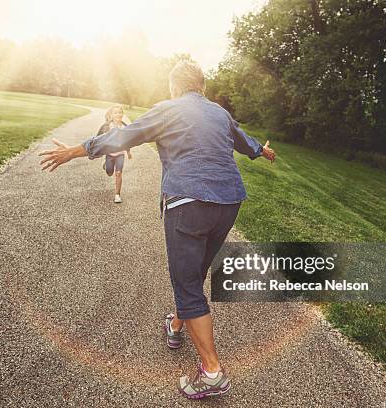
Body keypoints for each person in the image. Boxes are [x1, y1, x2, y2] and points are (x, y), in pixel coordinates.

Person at [39, 61, 276, 399]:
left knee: (187, 284)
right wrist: (263, 151)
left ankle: (211, 372)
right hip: (229, 203)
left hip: (187, 202)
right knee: (194, 275)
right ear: (202, 87)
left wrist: (75, 151)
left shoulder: (167, 109)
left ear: (174, 87)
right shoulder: (220, 113)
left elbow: (121, 136)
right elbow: (245, 142)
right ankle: (177, 325)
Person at [97, 105, 132, 203]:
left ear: (122, 114)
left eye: (120, 112)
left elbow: (128, 141)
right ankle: (106, 165)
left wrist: (128, 152)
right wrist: (98, 151)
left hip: (120, 154)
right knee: (109, 172)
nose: (118, 114)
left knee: (119, 173)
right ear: (112, 115)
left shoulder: (125, 127)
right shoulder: (107, 126)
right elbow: (98, 138)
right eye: (116, 113)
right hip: (109, 154)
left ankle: (117, 195)